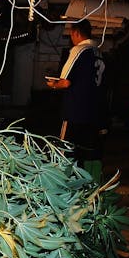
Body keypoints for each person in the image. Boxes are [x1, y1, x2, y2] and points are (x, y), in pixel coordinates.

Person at [46, 19, 107, 180]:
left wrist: (53, 84)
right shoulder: (98, 53)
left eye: (71, 35)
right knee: (88, 151)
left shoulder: (79, 50)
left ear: (76, 33)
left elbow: (65, 82)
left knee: (65, 149)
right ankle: (90, 183)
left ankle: (62, 183)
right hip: (93, 112)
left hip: (75, 111)